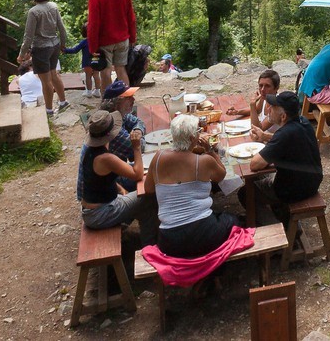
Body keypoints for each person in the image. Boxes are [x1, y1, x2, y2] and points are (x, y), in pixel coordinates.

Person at [152, 113, 236, 258]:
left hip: (169, 241)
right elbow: (221, 175)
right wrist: (210, 150)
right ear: (192, 138)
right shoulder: (204, 161)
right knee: (233, 220)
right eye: (198, 131)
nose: (200, 134)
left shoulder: (158, 157)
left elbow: (148, 188)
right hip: (204, 233)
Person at [244, 92, 324, 225]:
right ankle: (283, 215)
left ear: (283, 116)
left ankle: (276, 226)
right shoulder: (303, 122)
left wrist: (265, 145)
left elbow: (255, 164)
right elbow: (286, 139)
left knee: (246, 192)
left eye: (273, 107)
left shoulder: (284, 134)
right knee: (263, 177)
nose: (269, 109)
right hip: (313, 181)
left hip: (293, 189)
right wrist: (264, 136)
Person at [79, 109, 144, 230]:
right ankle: (149, 237)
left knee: (136, 194)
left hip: (92, 210)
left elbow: (100, 181)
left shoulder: (90, 151)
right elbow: (138, 174)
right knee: (147, 196)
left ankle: (132, 227)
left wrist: (120, 189)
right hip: (100, 214)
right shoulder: (106, 158)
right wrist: (136, 147)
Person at [18, 0, 71, 114]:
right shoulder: (53, 6)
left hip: (41, 48)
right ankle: (63, 102)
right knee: (54, 75)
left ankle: (48, 110)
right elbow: (62, 28)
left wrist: (22, 54)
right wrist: (63, 44)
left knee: (45, 80)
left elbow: (28, 36)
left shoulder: (34, 12)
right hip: (55, 45)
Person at [86, 0, 137, 94]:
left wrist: (92, 47)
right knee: (121, 69)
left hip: (105, 41)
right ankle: (127, 98)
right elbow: (131, 17)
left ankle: (108, 101)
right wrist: (132, 38)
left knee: (105, 72)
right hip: (123, 39)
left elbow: (93, 24)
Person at [100, 80, 145, 190]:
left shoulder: (120, 113)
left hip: (119, 168)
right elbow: (140, 146)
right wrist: (138, 140)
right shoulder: (111, 126)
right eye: (128, 97)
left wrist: (137, 131)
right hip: (114, 180)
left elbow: (138, 122)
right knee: (154, 173)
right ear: (116, 103)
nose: (133, 100)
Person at [230, 70, 283, 140]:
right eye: (261, 85)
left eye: (267, 86)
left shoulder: (277, 106)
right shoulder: (264, 98)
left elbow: (257, 129)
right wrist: (237, 112)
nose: (262, 89)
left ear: (276, 88)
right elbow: (257, 110)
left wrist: (252, 104)